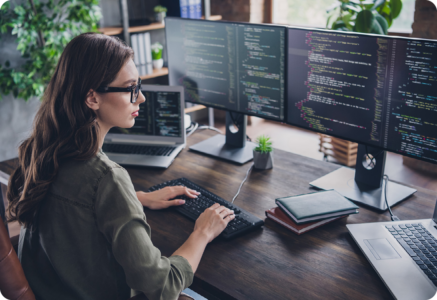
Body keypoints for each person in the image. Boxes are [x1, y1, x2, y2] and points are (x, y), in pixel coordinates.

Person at [6, 33, 235, 300]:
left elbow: (74, 206)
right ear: (92, 98)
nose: (141, 99)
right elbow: (163, 286)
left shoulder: (42, 150)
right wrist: (202, 232)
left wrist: (135, 199)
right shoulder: (107, 178)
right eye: (130, 89)